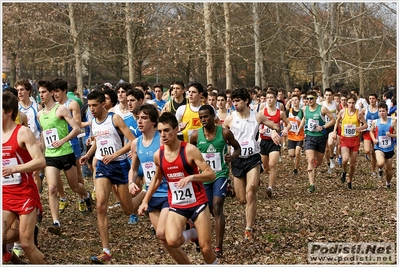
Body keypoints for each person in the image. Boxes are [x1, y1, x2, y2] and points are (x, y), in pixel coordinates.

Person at [138, 112, 218, 264]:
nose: (163, 135)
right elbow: (156, 179)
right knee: (172, 241)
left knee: (206, 249)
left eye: (167, 130)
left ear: (176, 130)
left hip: (198, 203)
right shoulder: (158, 155)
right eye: (160, 131)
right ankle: (193, 232)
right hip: (177, 204)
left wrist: (192, 177)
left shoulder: (189, 150)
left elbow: (211, 174)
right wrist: (145, 201)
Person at [128, 104, 191, 264]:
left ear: (154, 121)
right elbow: (134, 168)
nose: (139, 122)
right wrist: (130, 182)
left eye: (144, 118)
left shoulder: (162, 139)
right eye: (138, 118)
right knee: (162, 238)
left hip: (168, 193)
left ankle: (192, 231)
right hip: (151, 194)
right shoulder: (136, 143)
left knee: (163, 233)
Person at [79, 90, 136, 263]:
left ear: (103, 104)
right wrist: (88, 155)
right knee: (101, 206)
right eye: (89, 106)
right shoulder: (93, 122)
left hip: (119, 165)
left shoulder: (115, 119)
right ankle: (106, 250)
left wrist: (115, 154)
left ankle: (146, 195)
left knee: (128, 210)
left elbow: (133, 141)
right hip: (103, 166)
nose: (92, 109)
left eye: (94, 105)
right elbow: (97, 141)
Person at [37, 80, 94, 236]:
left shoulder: (61, 109)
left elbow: (76, 129)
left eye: (44, 92)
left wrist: (62, 141)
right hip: (51, 156)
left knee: (75, 187)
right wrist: (42, 149)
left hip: (66, 153)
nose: (41, 95)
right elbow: (43, 133)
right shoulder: (39, 114)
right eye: (39, 92)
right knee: (52, 188)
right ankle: (56, 222)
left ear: (51, 93)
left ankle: (87, 195)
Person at [223, 88, 281, 240]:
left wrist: (275, 131)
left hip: (253, 158)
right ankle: (249, 206)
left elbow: (274, 125)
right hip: (237, 159)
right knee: (242, 199)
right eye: (234, 101)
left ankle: (248, 228)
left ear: (246, 101)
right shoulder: (230, 118)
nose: (235, 104)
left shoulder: (257, 116)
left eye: (238, 101)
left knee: (251, 192)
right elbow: (221, 135)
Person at [190, 105, 241, 258]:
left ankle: (218, 247)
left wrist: (231, 157)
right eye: (200, 117)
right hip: (204, 177)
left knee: (218, 206)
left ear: (213, 116)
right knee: (208, 209)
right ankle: (200, 237)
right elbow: (188, 155)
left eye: (206, 116)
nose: (203, 120)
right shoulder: (195, 136)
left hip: (220, 175)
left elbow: (237, 148)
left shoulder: (224, 132)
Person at [2, 91, 45, 264]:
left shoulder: (22, 132)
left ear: (9, 111)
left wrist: (15, 168)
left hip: (25, 193)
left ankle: (28, 232)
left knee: (27, 244)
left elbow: (40, 161)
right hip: (5, 194)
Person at [52, 78, 85, 214]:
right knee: (56, 173)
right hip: (56, 144)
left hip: (72, 142)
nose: (55, 94)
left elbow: (77, 123)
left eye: (58, 91)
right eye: (54, 92)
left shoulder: (72, 104)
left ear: (65, 90)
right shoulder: (52, 106)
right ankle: (62, 197)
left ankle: (82, 198)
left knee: (77, 174)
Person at [258, 90, 290, 198]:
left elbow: (288, 124)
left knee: (272, 165)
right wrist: (259, 130)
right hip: (264, 141)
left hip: (274, 142)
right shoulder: (262, 112)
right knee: (265, 167)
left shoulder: (280, 113)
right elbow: (255, 124)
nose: (269, 100)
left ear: (275, 99)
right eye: (267, 98)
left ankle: (270, 188)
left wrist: (285, 129)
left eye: (271, 98)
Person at [302, 90, 336, 193]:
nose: (309, 100)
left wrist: (323, 126)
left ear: (316, 98)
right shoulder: (304, 109)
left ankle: (316, 164)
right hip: (309, 137)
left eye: (311, 98)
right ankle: (312, 184)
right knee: (310, 159)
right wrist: (302, 129)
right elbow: (305, 119)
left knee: (319, 162)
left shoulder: (322, 109)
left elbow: (333, 120)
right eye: (307, 99)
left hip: (320, 137)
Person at [332, 94, 367, 189]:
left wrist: (360, 128)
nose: (351, 105)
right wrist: (334, 132)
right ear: (346, 103)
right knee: (345, 159)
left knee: (352, 164)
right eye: (349, 103)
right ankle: (344, 171)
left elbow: (366, 125)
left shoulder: (358, 113)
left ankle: (349, 180)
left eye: (353, 103)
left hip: (355, 140)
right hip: (345, 139)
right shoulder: (343, 112)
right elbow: (337, 121)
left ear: (355, 103)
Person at [369, 102, 396, 188]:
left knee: (388, 170)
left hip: (389, 148)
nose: (382, 113)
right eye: (380, 111)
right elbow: (371, 131)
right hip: (379, 147)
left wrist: (391, 135)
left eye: (383, 111)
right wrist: (374, 139)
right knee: (380, 163)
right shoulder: (375, 122)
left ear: (387, 111)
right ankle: (380, 169)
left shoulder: (393, 122)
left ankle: (388, 183)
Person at [321, 88, 340, 174]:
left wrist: (339, 121)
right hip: (324, 127)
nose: (328, 97)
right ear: (324, 96)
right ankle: (329, 165)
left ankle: (332, 158)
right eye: (326, 95)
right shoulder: (321, 104)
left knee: (330, 143)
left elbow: (339, 113)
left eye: (330, 95)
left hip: (332, 126)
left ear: (332, 96)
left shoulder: (335, 104)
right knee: (326, 150)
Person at [286, 94, 305, 175]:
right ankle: (296, 159)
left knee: (297, 152)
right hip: (291, 136)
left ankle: (295, 169)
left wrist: (299, 129)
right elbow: (285, 121)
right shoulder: (289, 111)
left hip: (299, 136)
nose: (294, 102)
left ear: (299, 101)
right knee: (291, 154)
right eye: (293, 100)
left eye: (296, 100)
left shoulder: (301, 112)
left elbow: (304, 121)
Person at [361, 93, 379, 176]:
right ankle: (367, 155)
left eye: (373, 98)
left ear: (376, 99)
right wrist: (362, 123)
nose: (371, 100)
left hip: (376, 132)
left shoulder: (379, 109)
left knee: (374, 152)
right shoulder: (366, 108)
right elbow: (359, 115)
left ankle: (373, 170)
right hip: (367, 132)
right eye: (370, 98)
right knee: (367, 150)